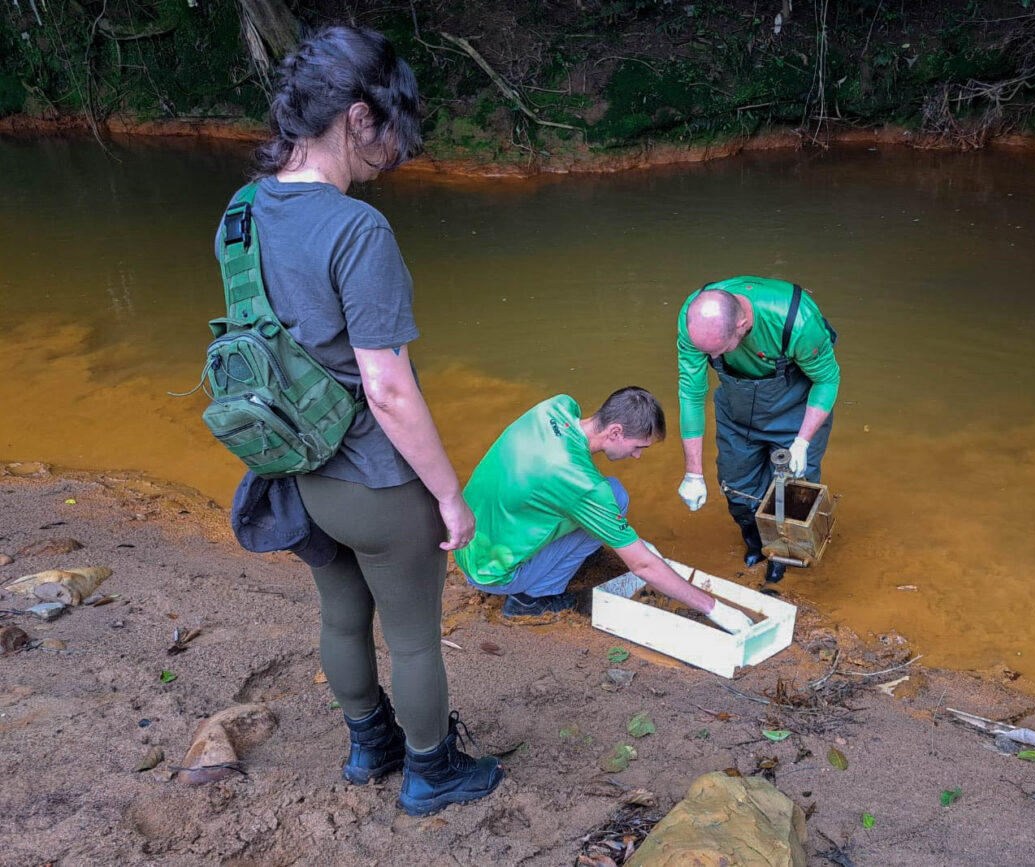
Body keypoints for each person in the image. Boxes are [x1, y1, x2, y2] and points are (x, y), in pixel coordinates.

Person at [218, 25, 500, 818]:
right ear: (357, 117)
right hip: (375, 480)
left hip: (294, 469)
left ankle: (366, 745)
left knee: (341, 613)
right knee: (411, 636)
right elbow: (389, 389)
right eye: (392, 131)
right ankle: (431, 771)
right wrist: (449, 495)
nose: (394, 154)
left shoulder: (240, 215)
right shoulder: (357, 230)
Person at [454, 387, 755, 634]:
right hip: (492, 572)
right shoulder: (584, 486)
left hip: (469, 541)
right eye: (638, 447)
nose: (637, 456)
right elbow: (643, 566)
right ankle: (532, 600)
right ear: (614, 432)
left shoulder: (556, 408)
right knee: (615, 498)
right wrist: (715, 609)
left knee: (606, 498)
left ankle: (568, 556)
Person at [676, 276, 840, 582]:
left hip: (795, 411)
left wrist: (802, 442)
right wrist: (693, 473)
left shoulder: (798, 322)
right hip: (737, 411)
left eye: (718, 351)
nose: (711, 359)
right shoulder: (694, 318)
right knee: (736, 487)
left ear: (741, 326)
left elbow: (827, 380)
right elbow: (691, 393)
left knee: (793, 496)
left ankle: (783, 556)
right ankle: (754, 541)